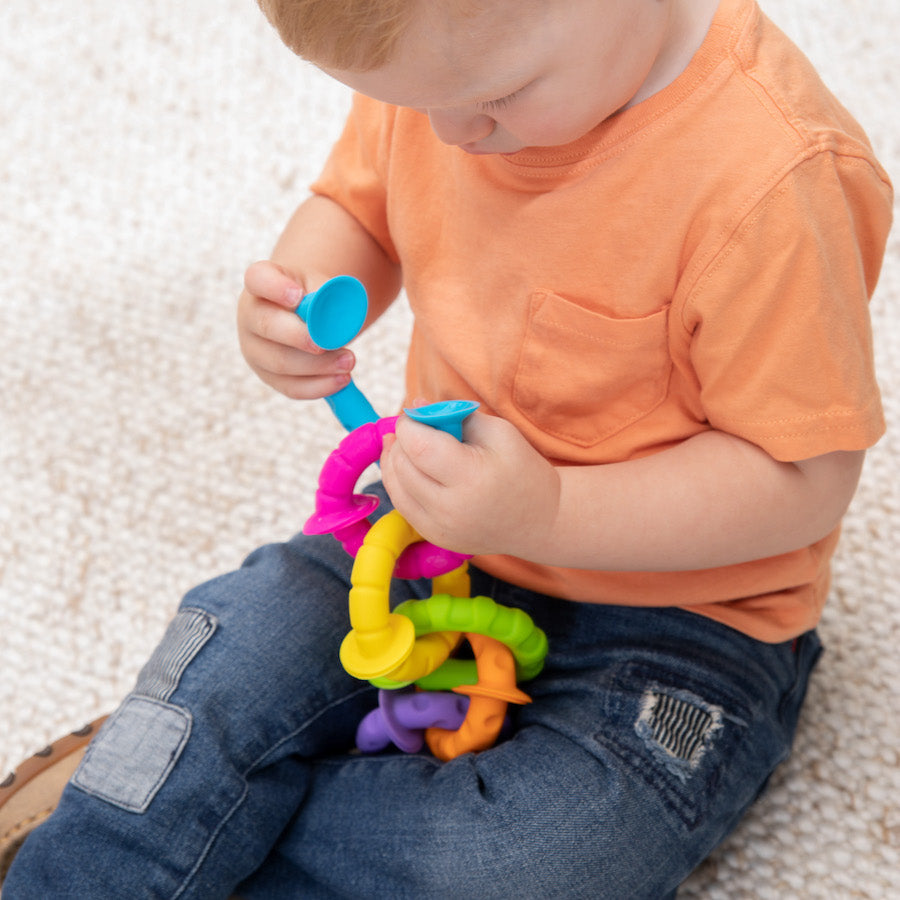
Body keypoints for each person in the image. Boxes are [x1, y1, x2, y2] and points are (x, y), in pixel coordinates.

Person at [2, 0, 892, 896]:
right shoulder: (448, 69)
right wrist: (297, 295)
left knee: (524, 861)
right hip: (424, 528)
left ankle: (174, 799)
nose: (453, 135)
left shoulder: (774, 178)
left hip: (682, 618)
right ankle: (125, 835)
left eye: (499, 100)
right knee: (237, 643)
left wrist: (551, 512)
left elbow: (802, 478)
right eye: (419, 105)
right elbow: (357, 205)